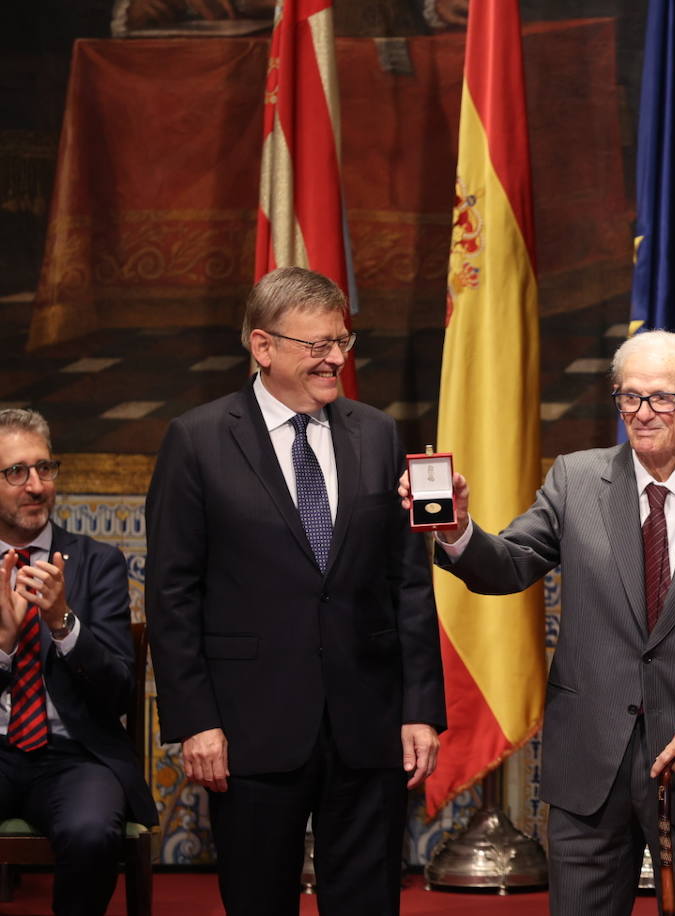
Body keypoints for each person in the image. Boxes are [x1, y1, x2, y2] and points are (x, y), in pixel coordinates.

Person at [406, 329, 675, 915]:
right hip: (589, 764)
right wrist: (457, 531)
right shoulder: (576, 479)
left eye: (661, 398)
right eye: (628, 397)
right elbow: (510, 566)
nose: (641, 414)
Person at [145, 267, 445, 915]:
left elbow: (408, 583)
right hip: (250, 727)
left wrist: (419, 707)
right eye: (318, 346)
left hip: (366, 722)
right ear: (263, 346)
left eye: (343, 341)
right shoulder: (197, 441)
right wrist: (196, 721)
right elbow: (172, 596)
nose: (335, 358)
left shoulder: (377, 433)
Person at [0, 408, 156, 916]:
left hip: (75, 756)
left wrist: (64, 623)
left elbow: (116, 690)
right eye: (16, 471)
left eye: (45, 468)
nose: (36, 485)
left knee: (91, 833)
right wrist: (3, 645)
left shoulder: (96, 562)